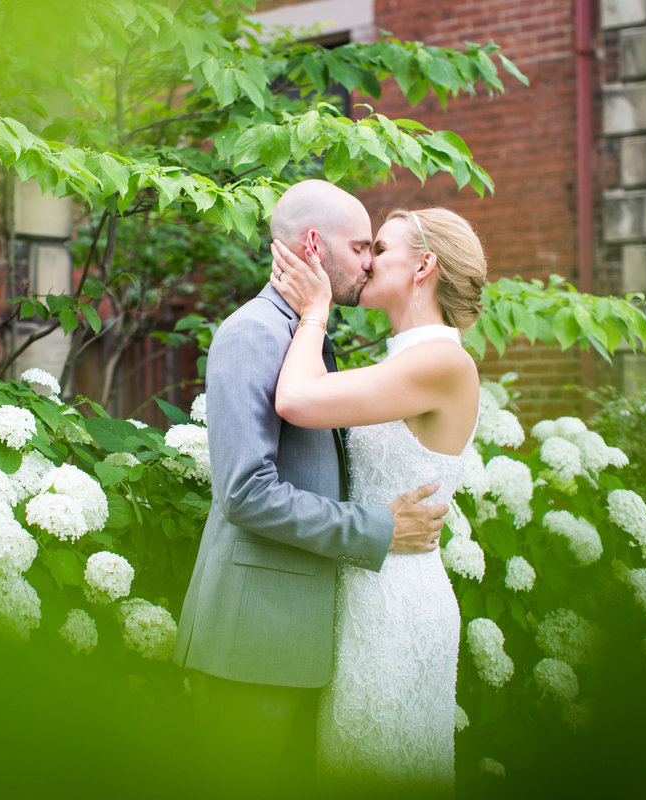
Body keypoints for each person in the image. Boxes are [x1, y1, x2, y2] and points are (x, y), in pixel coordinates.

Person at [172, 181, 450, 790]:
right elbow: (246, 493)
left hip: (295, 640)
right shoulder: (255, 334)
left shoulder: (302, 333)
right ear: (314, 245)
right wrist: (379, 528)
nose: (369, 264)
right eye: (358, 248)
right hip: (254, 639)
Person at [268, 205, 487, 791]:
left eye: (379, 250)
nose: (364, 262)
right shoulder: (403, 360)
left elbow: (295, 401)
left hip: (397, 601)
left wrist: (314, 314)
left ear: (425, 265)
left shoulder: (443, 361)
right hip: (363, 587)